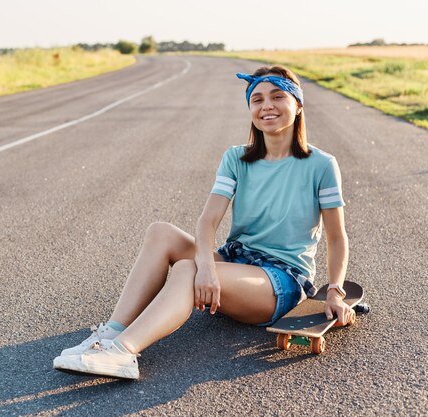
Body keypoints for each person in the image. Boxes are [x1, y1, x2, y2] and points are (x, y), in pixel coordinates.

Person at [53, 65, 352, 380]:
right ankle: (110, 335)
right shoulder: (237, 159)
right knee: (161, 232)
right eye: (257, 99)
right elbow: (208, 221)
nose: (267, 106)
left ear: (298, 104)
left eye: (278, 97)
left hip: (281, 279)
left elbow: (336, 238)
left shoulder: (321, 165)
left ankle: (123, 352)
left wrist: (335, 291)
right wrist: (208, 269)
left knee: (186, 268)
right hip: (236, 258)